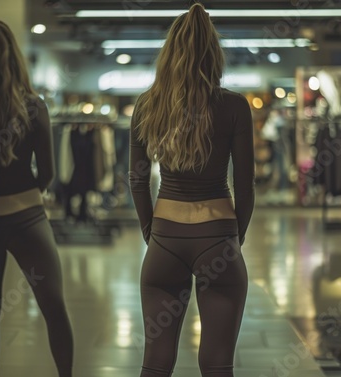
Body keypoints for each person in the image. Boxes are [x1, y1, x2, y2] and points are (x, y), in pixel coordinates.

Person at [128, 3, 255, 377]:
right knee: (217, 366)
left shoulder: (147, 105)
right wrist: (235, 236)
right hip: (218, 236)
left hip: (165, 237)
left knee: (156, 363)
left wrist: (152, 233)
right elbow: (245, 185)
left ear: (169, 55)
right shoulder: (234, 107)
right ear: (214, 53)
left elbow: (137, 181)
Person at [0, 20, 73, 377]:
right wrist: (28, 190)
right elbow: (49, 174)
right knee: (54, 307)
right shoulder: (33, 106)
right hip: (27, 214)